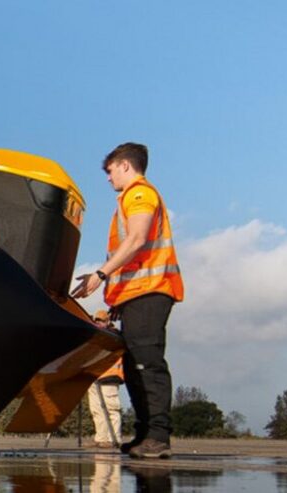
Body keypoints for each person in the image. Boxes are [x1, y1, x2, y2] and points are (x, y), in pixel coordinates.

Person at [72, 142, 185, 460]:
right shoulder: (130, 198)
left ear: (125, 165)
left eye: (110, 171)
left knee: (147, 363)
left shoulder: (139, 194)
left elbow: (136, 239)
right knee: (136, 367)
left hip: (150, 290)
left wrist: (101, 274)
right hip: (138, 293)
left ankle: (157, 436)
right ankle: (145, 434)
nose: (108, 178)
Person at [88, 310, 125, 450]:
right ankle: (101, 439)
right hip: (93, 377)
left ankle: (113, 439)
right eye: (96, 321)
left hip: (109, 376)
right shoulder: (95, 337)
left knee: (111, 409)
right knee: (96, 410)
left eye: (101, 321)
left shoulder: (113, 336)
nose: (98, 323)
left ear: (107, 321)